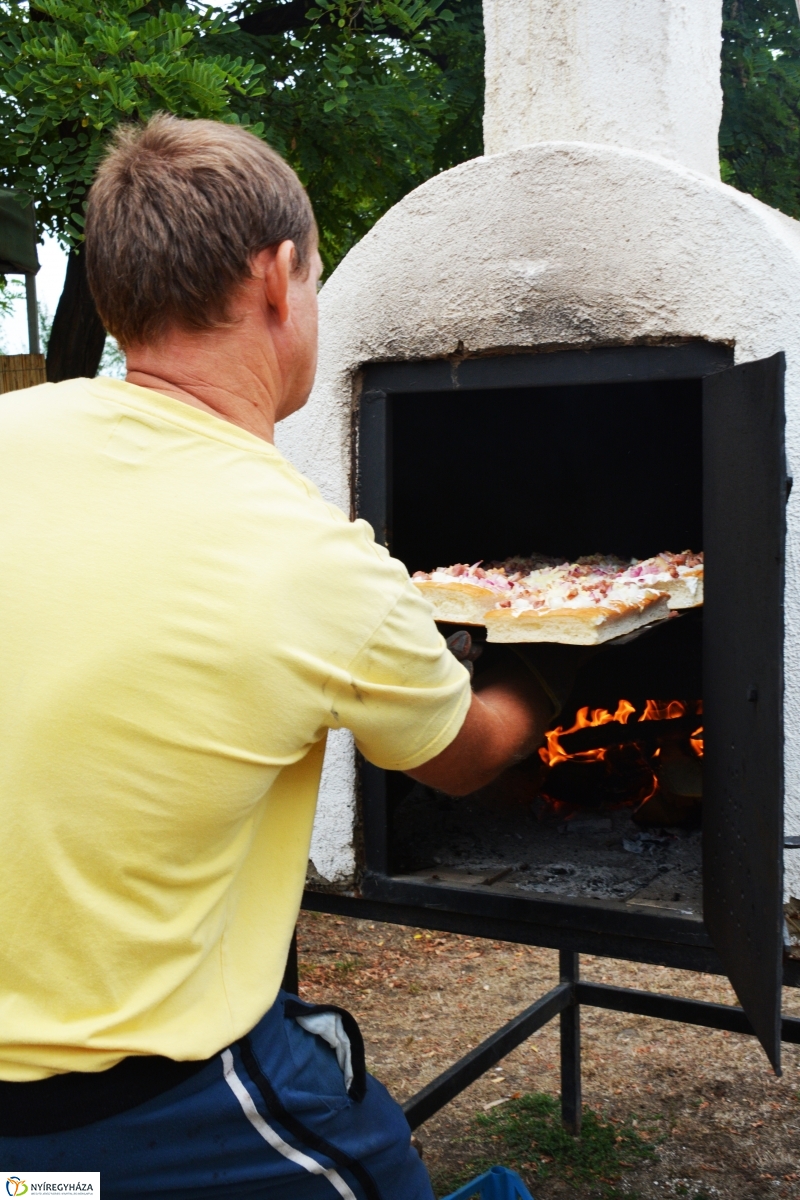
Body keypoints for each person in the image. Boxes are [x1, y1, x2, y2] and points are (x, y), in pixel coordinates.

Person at [0, 115, 560, 1198]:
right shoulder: (307, 558)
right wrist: (553, 670)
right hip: (137, 1107)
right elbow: (460, 755)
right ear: (274, 279)